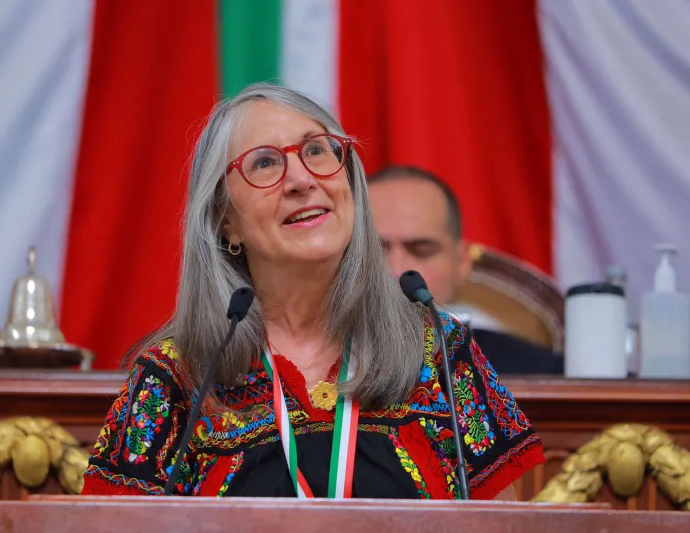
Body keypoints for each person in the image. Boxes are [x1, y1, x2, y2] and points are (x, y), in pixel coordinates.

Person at [82, 84, 545, 499]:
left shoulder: (439, 350)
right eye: (265, 162)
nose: (302, 180)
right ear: (226, 220)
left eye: (318, 151)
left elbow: (499, 523)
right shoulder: (178, 375)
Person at [367, 165, 564, 374]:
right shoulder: (328, 372)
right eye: (372, 251)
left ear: (461, 262)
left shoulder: (540, 373)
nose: (397, 271)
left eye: (422, 251)